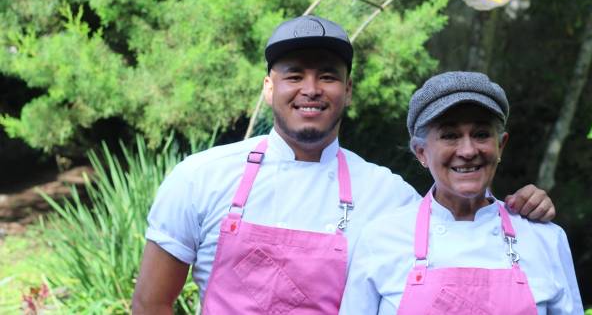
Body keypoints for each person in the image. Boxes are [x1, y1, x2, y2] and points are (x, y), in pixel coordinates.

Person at [131, 16, 556, 314]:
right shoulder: (200, 177)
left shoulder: (387, 195)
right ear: (268, 87)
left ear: (348, 90)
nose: (311, 89)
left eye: (328, 76)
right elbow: (151, 304)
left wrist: (520, 208)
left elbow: (464, 238)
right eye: (294, 75)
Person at [339, 71, 583, 314]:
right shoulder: (380, 239)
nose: (467, 150)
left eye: (480, 134)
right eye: (450, 136)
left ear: (501, 145)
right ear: (421, 152)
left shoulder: (545, 239)